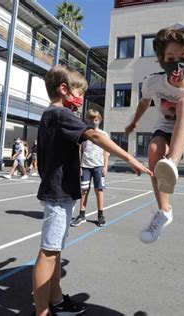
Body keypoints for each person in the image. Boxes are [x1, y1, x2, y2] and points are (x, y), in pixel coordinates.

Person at [32, 64, 152, 316]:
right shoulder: (62, 115)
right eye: (79, 91)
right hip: (58, 192)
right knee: (49, 251)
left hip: (60, 190)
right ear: (63, 90)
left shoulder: (51, 116)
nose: (82, 98)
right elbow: (96, 137)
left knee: (55, 250)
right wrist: (130, 158)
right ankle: (42, 311)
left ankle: (56, 300)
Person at [124, 26, 184, 243]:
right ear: (162, 60)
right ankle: (164, 211)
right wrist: (134, 122)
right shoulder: (153, 81)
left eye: (182, 57)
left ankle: (172, 161)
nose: (176, 63)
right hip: (164, 129)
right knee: (153, 150)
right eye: (170, 57)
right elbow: (144, 103)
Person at [71, 110, 109, 227]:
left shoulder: (104, 134)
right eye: (91, 119)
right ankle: (81, 215)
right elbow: (79, 150)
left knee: (99, 191)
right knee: (84, 191)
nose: (94, 121)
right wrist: (79, 166)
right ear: (87, 120)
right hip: (85, 166)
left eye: (96, 119)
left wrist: (105, 166)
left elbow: (106, 151)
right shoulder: (84, 134)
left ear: (100, 120)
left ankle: (100, 215)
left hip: (98, 166)